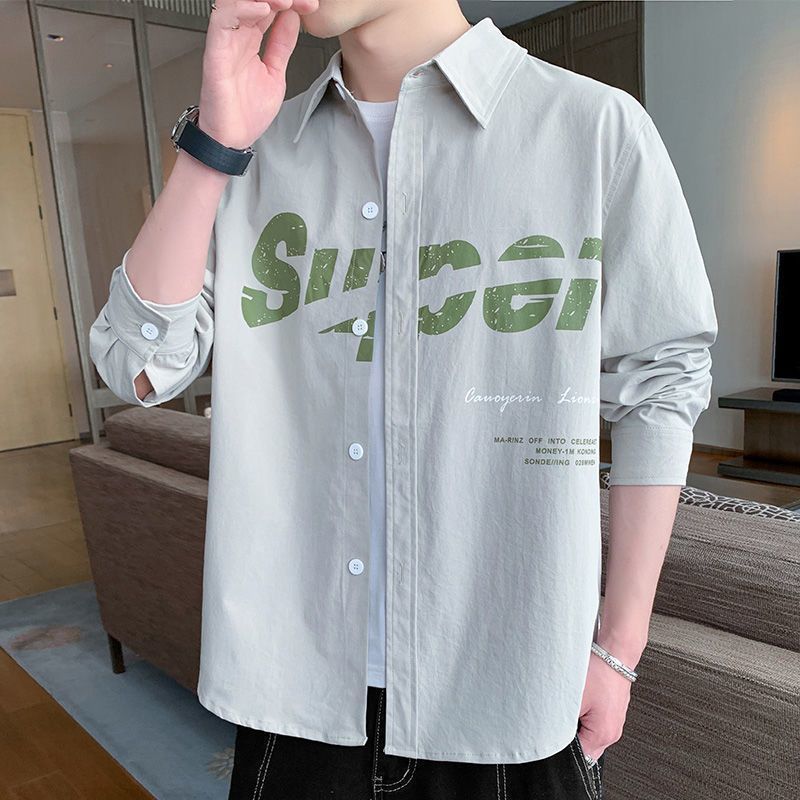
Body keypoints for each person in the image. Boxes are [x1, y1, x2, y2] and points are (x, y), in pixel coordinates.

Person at [89, 0, 718, 798]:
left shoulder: (591, 128)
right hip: (297, 698)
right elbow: (139, 368)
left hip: (511, 690)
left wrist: (619, 648)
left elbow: (661, 379)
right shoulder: (255, 151)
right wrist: (213, 147)